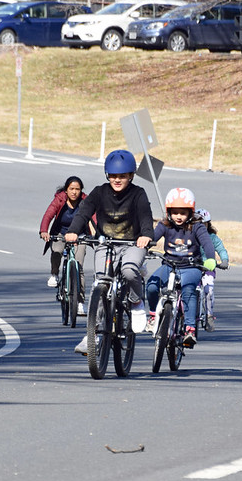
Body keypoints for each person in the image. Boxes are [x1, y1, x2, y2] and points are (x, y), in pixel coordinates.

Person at [64, 150, 154, 353]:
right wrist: (72, 232)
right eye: (113, 175)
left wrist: (146, 234)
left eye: (122, 176)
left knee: (130, 271)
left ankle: (136, 302)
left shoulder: (138, 193)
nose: (117, 180)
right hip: (106, 244)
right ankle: (92, 336)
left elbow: (146, 216)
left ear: (131, 175)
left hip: (133, 244)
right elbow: (84, 212)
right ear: (107, 175)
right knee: (101, 284)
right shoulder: (99, 192)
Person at [144, 188, 216, 349]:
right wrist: (145, 244)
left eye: (183, 213)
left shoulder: (197, 227)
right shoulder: (164, 225)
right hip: (169, 265)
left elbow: (207, 243)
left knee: (189, 290)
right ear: (169, 212)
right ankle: (154, 316)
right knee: (152, 286)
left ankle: (189, 329)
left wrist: (211, 259)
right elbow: (153, 237)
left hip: (191, 267)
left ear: (190, 213)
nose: (178, 217)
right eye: (175, 212)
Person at [39, 176, 91, 315]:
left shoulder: (85, 201)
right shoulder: (59, 199)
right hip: (60, 234)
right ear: (66, 190)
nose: (74, 192)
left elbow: (96, 217)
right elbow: (49, 214)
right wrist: (44, 230)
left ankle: (80, 302)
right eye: (71, 189)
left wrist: (99, 235)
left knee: (79, 267)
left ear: (81, 191)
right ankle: (54, 274)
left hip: (79, 236)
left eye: (77, 189)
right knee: (56, 251)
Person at [196, 208, 229, 331]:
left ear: (208, 224)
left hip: (208, 268)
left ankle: (209, 316)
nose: (201, 227)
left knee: (208, 290)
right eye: (198, 224)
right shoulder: (191, 235)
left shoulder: (213, 237)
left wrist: (224, 260)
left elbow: (221, 249)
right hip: (193, 266)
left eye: (204, 224)